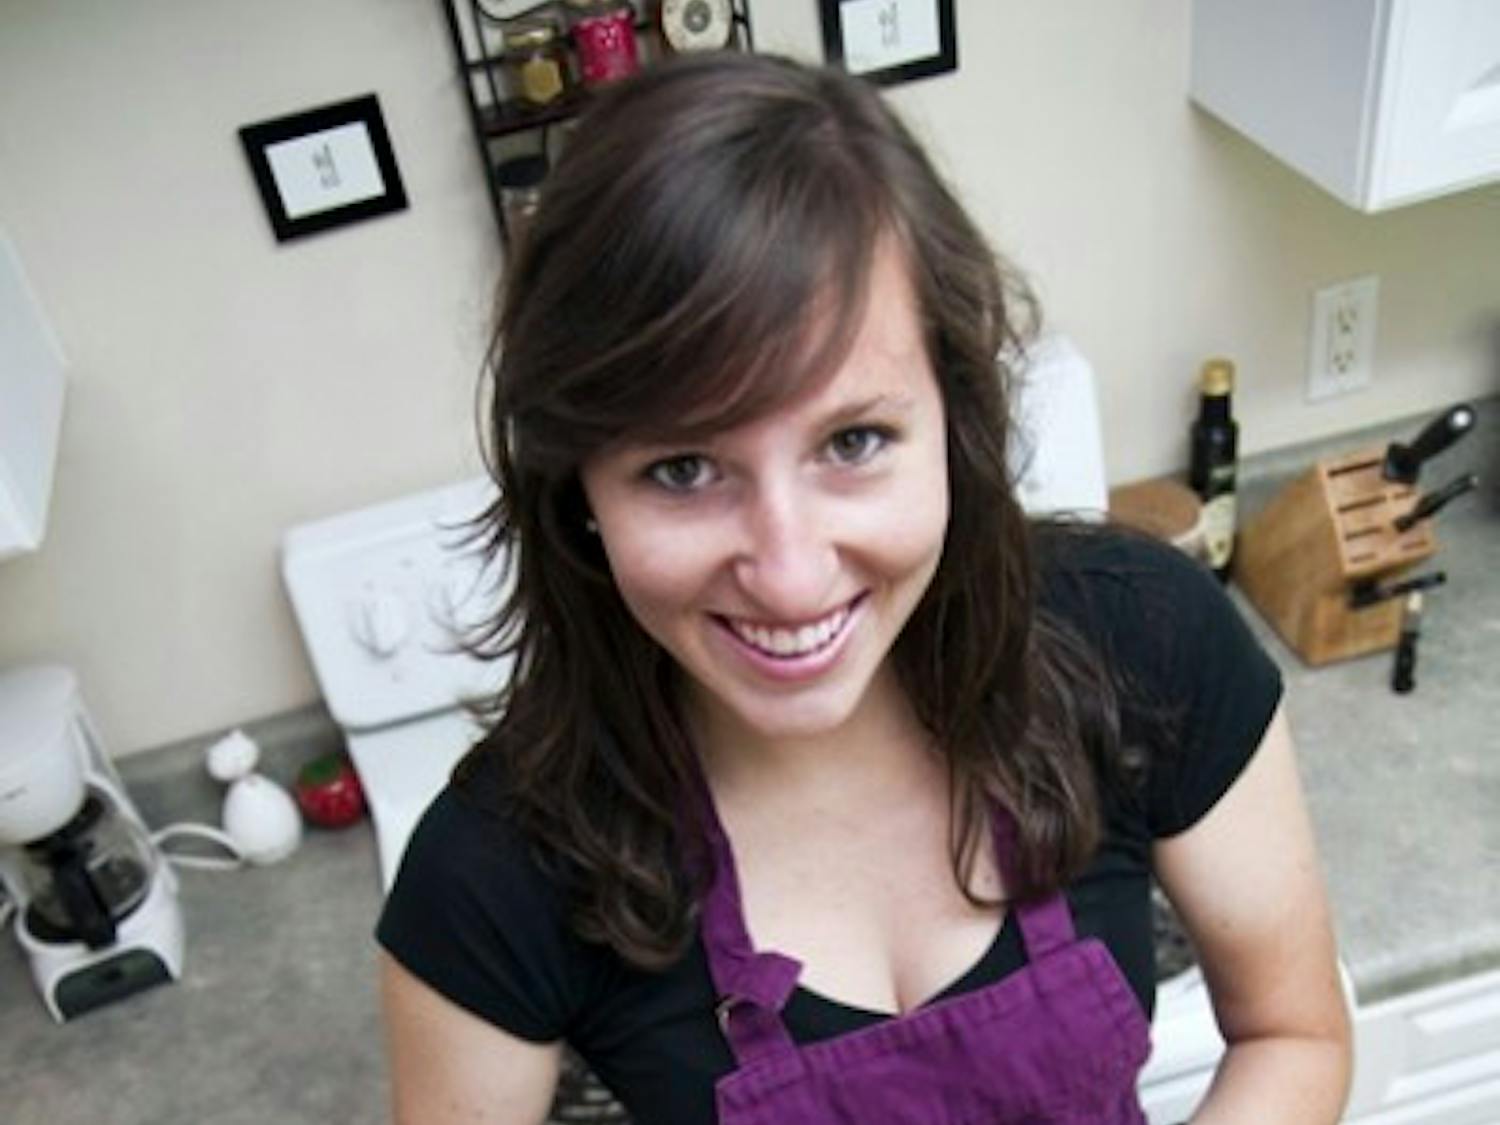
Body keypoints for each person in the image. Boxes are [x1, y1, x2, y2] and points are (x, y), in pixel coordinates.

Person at [377, 52, 1351, 1124]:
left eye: (853, 439)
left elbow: (1293, 1034)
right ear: (580, 494)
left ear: (953, 414)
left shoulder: (1143, 642)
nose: (790, 573)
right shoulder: (496, 873)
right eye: (682, 469)